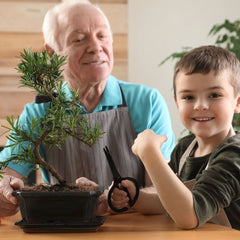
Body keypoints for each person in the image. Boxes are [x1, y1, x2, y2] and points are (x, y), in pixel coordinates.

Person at [0, 0, 175, 217]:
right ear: (52, 53)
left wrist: (126, 198)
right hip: (64, 227)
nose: (95, 47)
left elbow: (162, 191)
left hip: (135, 229)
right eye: (79, 39)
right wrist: (4, 192)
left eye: (102, 36)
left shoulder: (146, 101)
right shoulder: (40, 112)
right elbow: (6, 177)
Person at [111, 45, 240, 230]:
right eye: (188, 97)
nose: (200, 106)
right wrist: (136, 198)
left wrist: (150, 154)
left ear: (237, 102)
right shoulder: (185, 148)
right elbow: (170, 201)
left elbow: (189, 216)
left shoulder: (234, 155)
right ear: (176, 102)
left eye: (214, 95)